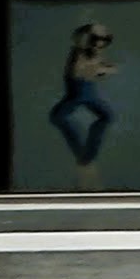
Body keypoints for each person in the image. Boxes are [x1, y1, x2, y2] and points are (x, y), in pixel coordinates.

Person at [47, 21, 119, 183]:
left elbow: (106, 67)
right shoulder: (79, 52)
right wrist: (89, 29)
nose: (97, 47)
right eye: (95, 42)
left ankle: (86, 156)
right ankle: (84, 156)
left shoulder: (96, 54)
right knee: (58, 117)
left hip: (88, 92)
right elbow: (78, 67)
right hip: (78, 93)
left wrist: (106, 69)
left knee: (106, 116)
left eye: (101, 44)